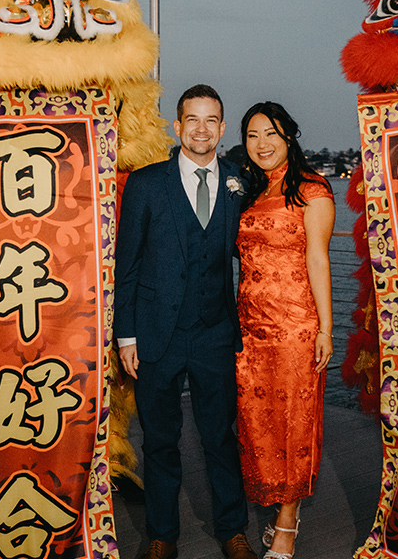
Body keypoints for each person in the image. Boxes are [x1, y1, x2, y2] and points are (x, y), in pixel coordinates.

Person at [114, 84, 256, 559]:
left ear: (221, 127)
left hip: (215, 332)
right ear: (177, 127)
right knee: (159, 439)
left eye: (211, 120)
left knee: (220, 436)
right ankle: (161, 535)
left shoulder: (240, 180)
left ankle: (233, 530)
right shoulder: (147, 182)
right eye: (192, 119)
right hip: (156, 334)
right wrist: (126, 334)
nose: (201, 128)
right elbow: (127, 264)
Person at [234, 102, 335, 559]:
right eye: (253, 135)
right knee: (258, 424)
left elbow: (317, 259)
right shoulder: (251, 191)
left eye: (271, 133)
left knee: (294, 421)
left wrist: (326, 328)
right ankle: (276, 502)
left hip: (295, 326)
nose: (262, 144)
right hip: (249, 328)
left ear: (289, 137)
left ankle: (288, 520)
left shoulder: (313, 191)